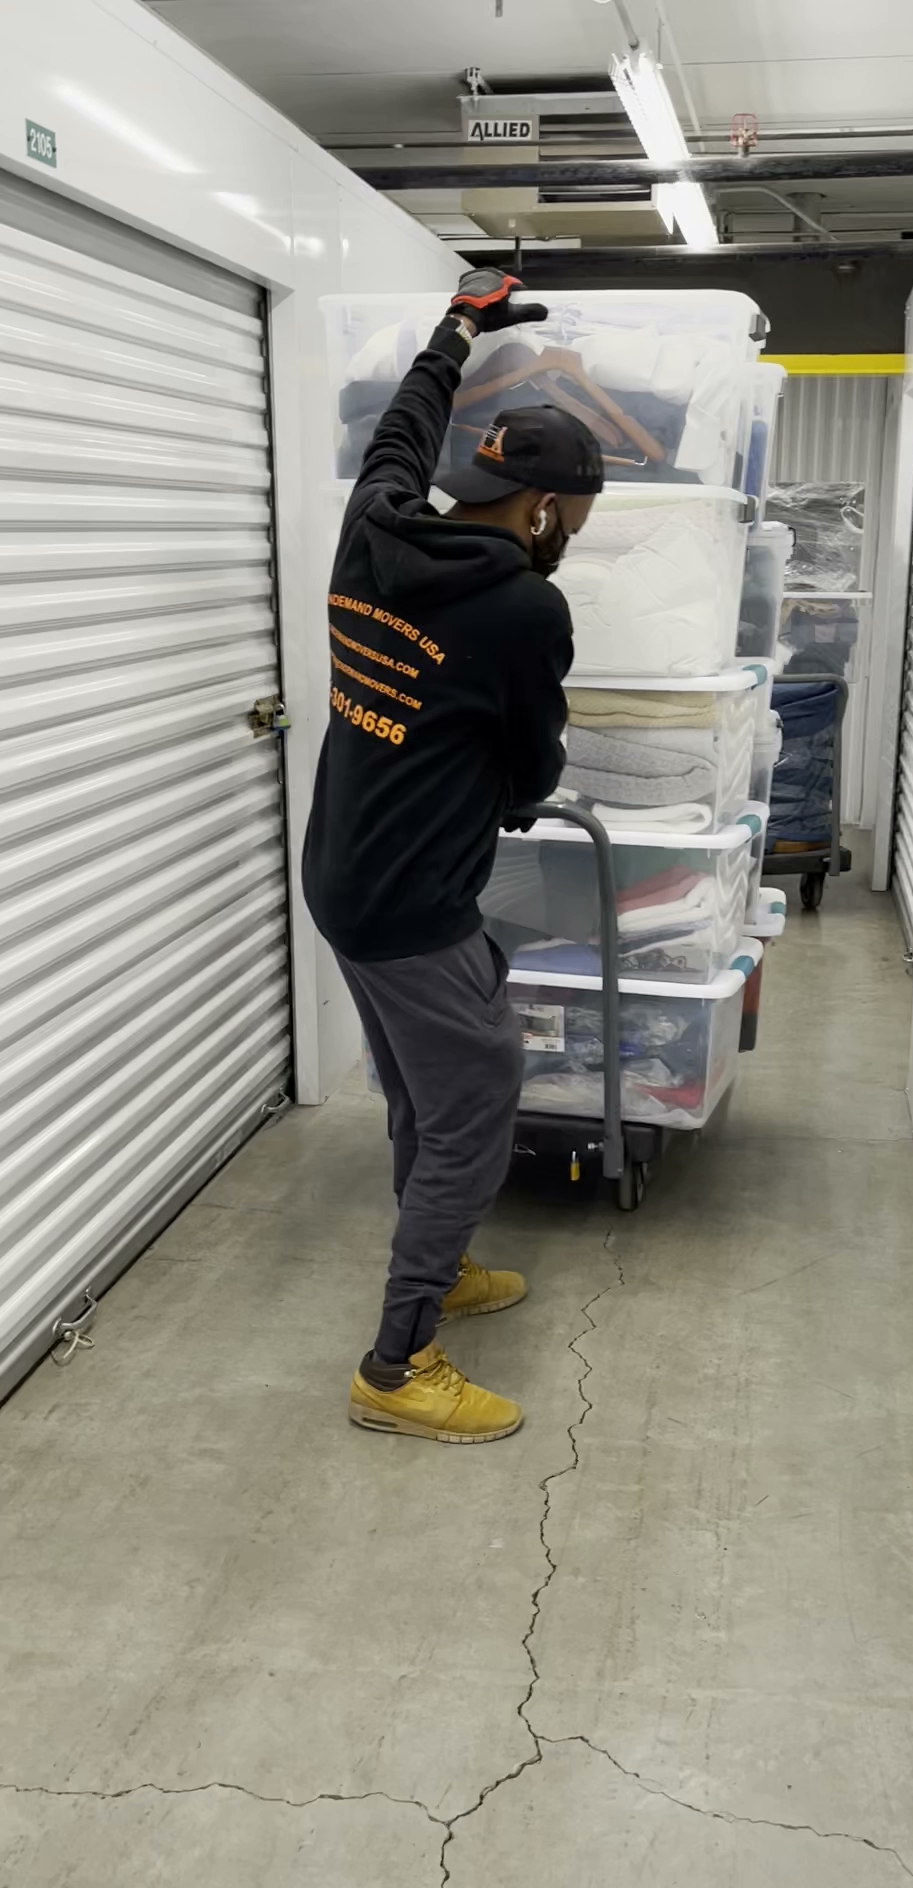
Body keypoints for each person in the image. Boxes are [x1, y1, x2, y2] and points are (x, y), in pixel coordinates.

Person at [302, 269, 604, 1444]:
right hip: (412, 901)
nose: (577, 535)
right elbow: (529, 774)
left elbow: (400, 430)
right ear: (540, 510)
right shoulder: (524, 612)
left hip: (347, 875)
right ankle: (398, 1364)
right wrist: (506, 778)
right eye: (578, 516)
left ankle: (446, 1260)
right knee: (474, 1107)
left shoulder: (376, 523)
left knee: (427, 1095)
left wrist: (457, 326)